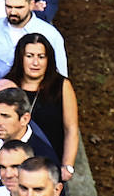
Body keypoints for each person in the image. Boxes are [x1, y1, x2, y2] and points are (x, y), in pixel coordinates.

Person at [6, 33, 79, 183]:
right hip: (14, 166)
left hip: (50, 164)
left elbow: (71, 129)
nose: (35, 62)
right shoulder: (8, 84)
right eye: (29, 56)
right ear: (21, 58)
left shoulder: (62, 86)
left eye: (41, 56)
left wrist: (68, 166)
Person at [0, 0, 69, 79]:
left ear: (31, 5)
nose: (13, 12)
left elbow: (61, 75)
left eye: (19, 7)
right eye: (9, 6)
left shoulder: (50, 34)